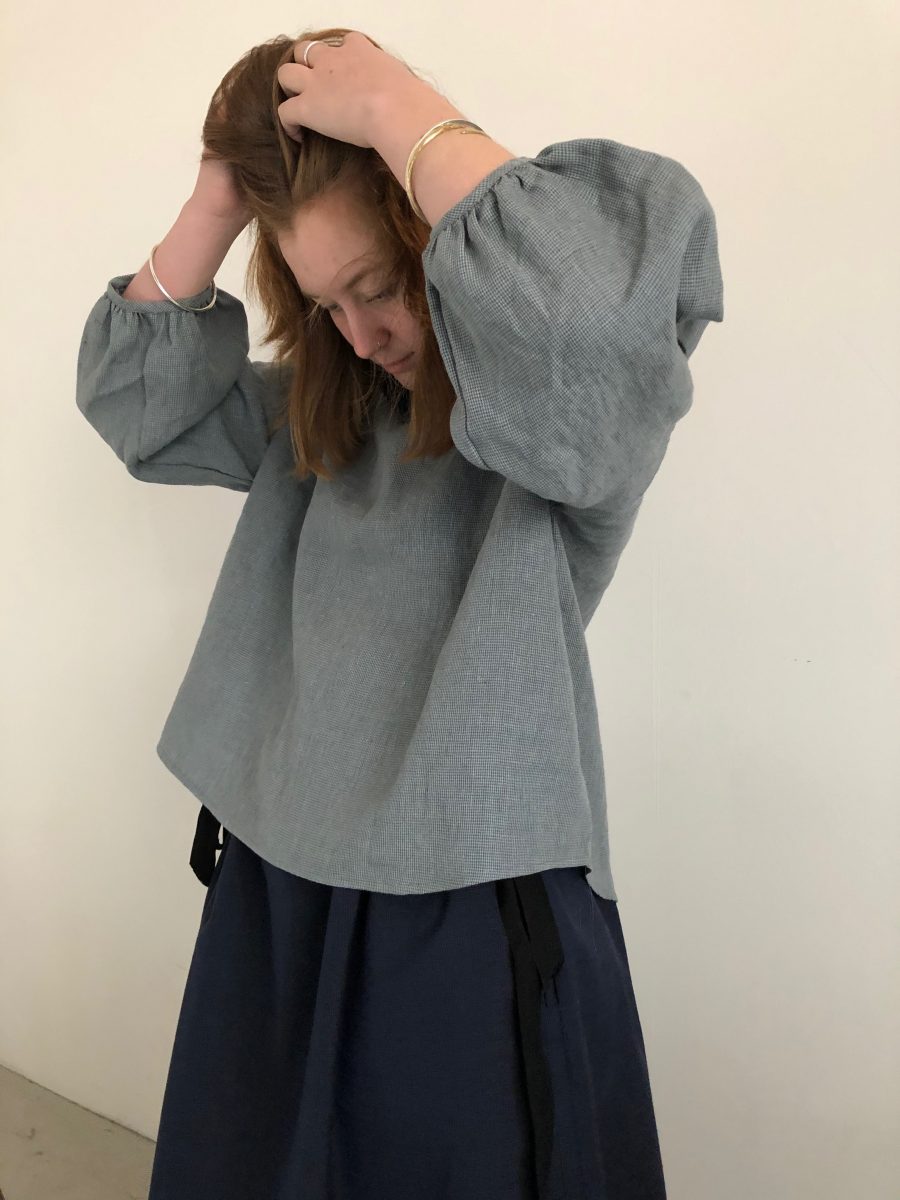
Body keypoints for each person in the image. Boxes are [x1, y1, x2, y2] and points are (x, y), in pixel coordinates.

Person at [75, 25, 724, 1200]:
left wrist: (402, 113)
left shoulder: (560, 432)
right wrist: (223, 192)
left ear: (432, 239)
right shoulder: (319, 424)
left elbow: (602, 309)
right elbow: (139, 410)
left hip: (467, 890)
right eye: (328, 304)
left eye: (378, 286)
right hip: (279, 873)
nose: (363, 336)